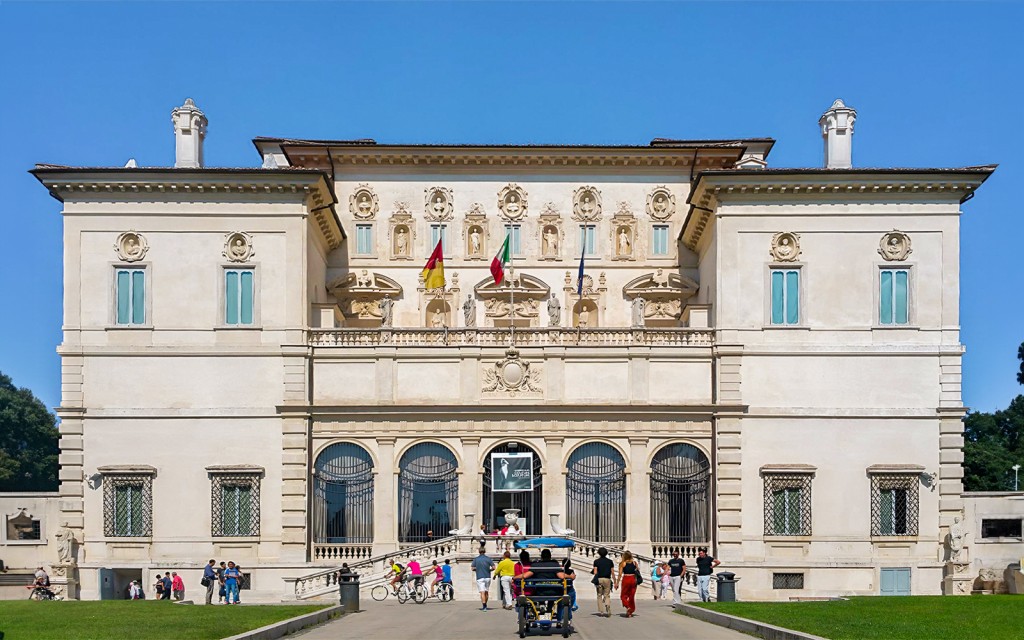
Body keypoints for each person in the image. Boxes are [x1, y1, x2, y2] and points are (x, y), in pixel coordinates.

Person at [591, 547, 614, 618]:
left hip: (599, 579)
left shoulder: (596, 561)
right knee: (607, 594)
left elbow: (595, 572)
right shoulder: (610, 561)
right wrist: (615, 581)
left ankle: (601, 611)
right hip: (607, 579)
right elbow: (612, 572)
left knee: (599, 595)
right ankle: (607, 604)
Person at [471, 546, 495, 611]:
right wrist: (489, 570)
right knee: (486, 591)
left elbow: (472, 568)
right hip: (487, 576)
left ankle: (484, 606)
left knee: (482, 592)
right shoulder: (488, 559)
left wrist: (477, 569)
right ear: (484, 551)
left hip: (480, 577)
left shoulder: (476, 559)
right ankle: (485, 604)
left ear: (479, 551)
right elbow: (493, 567)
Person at [616, 551, 639, 617]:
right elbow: (637, 571)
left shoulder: (623, 563)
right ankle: (630, 612)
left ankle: (628, 606)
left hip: (626, 578)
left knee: (623, 595)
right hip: (633, 579)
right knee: (631, 596)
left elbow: (620, 574)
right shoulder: (635, 563)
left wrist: (617, 582)